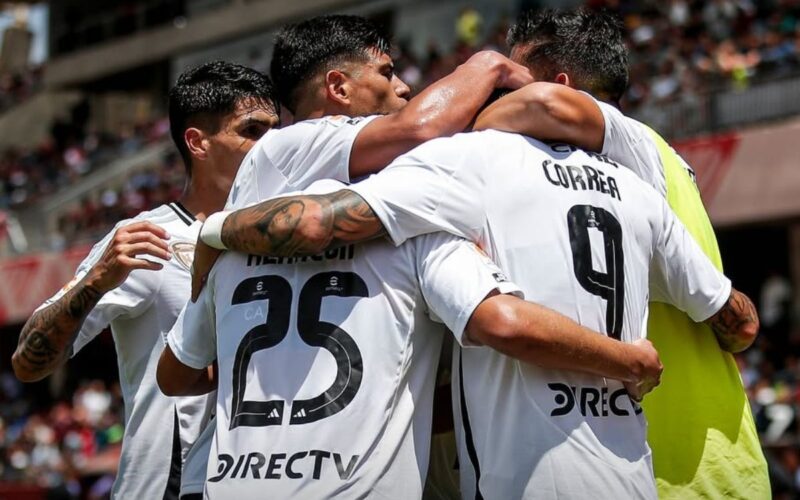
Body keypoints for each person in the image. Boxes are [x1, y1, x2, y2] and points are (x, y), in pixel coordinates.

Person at [192, 126, 758, 498]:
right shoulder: (636, 188)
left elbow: (179, 376)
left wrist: (211, 233)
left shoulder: (462, 171)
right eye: (389, 75)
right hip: (630, 471)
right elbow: (741, 324)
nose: (407, 91)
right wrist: (629, 358)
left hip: (519, 480)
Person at [159, 175, 663, 498]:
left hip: (234, 487)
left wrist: (272, 372)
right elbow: (502, 323)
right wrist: (629, 359)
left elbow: (175, 375)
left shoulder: (229, 254)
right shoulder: (417, 234)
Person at [472, 9, 770, 497]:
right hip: (711, 460)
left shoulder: (627, 141)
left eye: (512, 82)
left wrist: (452, 124)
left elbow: (548, 106)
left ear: (564, 83)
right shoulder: (645, 161)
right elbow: (738, 327)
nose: (502, 97)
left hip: (678, 467)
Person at [11, 61, 280, 499]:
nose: (270, 146)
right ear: (198, 142)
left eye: (276, 130)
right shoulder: (148, 238)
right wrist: (97, 279)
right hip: (164, 487)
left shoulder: (284, 235)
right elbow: (27, 362)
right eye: (252, 131)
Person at [220, 14, 532, 213]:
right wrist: (489, 64)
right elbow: (419, 127)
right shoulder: (282, 148)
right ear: (339, 88)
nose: (403, 88)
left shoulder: (365, 167)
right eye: (386, 73)